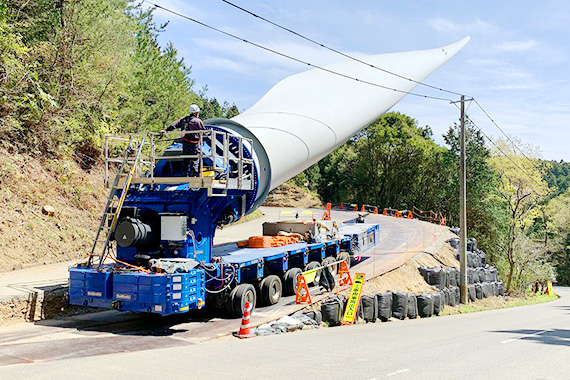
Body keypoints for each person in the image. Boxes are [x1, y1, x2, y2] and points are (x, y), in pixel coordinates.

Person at [163, 104, 205, 177]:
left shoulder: (183, 120)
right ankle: (193, 176)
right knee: (195, 159)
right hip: (194, 143)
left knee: (186, 159)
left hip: (185, 143)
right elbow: (203, 131)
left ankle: (184, 175)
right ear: (195, 113)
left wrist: (166, 130)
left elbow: (174, 124)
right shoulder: (198, 121)